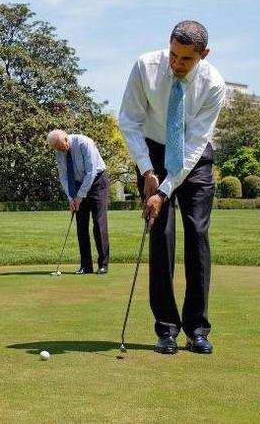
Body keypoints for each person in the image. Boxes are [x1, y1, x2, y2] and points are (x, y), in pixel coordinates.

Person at [118, 21, 225, 355]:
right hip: (152, 150)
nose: (177, 64)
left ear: (203, 55)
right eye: (174, 55)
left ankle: (197, 329)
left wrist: (164, 190)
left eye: (186, 60)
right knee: (160, 236)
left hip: (194, 158)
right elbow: (129, 121)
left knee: (196, 234)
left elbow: (193, 146)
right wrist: (147, 169)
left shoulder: (214, 85)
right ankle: (166, 329)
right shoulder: (145, 67)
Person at [47, 130, 110, 275]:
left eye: (61, 146)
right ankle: (86, 266)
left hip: (97, 183)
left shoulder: (84, 143)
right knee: (81, 225)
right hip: (76, 184)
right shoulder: (59, 151)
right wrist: (71, 198)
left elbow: (91, 171)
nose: (60, 150)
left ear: (66, 139)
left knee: (99, 223)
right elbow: (63, 176)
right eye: (57, 148)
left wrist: (80, 196)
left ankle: (103, 264)